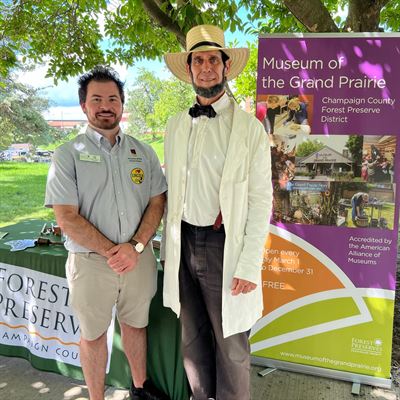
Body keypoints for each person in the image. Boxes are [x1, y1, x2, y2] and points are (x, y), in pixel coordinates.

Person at [162, 25, 273, 400]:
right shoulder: (175, 126)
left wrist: (248, 264)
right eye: (198, 60)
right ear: (190, 69)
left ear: (226, 67)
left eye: (213, 59)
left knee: (232, 346)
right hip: (183, 244)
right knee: (191, 340)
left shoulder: (250, 130)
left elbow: (261, 200)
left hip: (224, 245)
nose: (206, 67)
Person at [45, 66, 169, 400]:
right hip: (91, 263)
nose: (105, 105)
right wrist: (114, 251)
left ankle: (140, 389)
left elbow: (157, 203)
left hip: (138, 260)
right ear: (84, 106)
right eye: (96, 98)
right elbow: (66, 217)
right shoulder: (67, 155)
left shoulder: (143, 152)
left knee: (135, 325)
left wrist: (136, 246)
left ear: (122, 105)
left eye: (112, 98)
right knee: (93, 334)